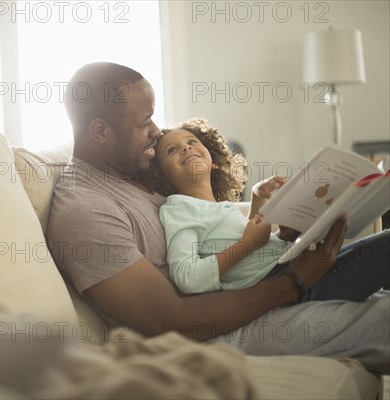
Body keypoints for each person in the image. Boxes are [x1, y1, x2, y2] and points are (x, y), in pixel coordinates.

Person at [47, 62, 389, 373]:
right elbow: (171, 320)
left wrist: (282, 233)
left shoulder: (135, 174)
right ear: (100, 132)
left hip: (250, 294)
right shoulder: (84, 209)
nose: (156, 130)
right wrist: (294, 282)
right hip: (216, 335)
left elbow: (211, 227)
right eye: (143, 122)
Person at [148, 118, 390, 299]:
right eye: (172, 150)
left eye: (192, 142)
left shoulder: (221, 207)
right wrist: (246, 245)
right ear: (161, 175)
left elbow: (250, 244)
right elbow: (187, 277)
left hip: (289, 261)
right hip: (282, 281)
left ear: (213, 161)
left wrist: (258, 199)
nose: (186, 148)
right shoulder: (179, 209)